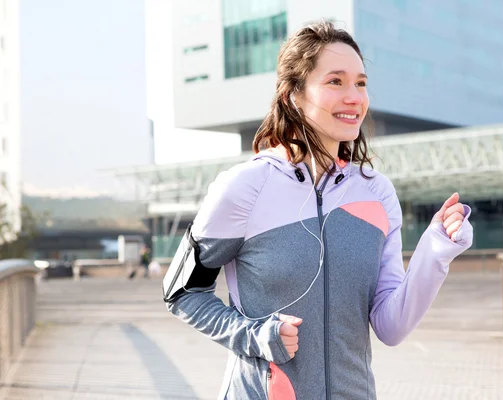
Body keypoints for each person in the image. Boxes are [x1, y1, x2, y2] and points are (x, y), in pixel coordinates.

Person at [165, 20, 473, 400]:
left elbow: (391, 326)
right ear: (294, 94)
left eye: (360, 83)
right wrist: (255, 336)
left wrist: (436, 250)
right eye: (335, 82)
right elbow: (181, 291)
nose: (354, 97)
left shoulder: (377, 193)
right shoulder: (245, 187)